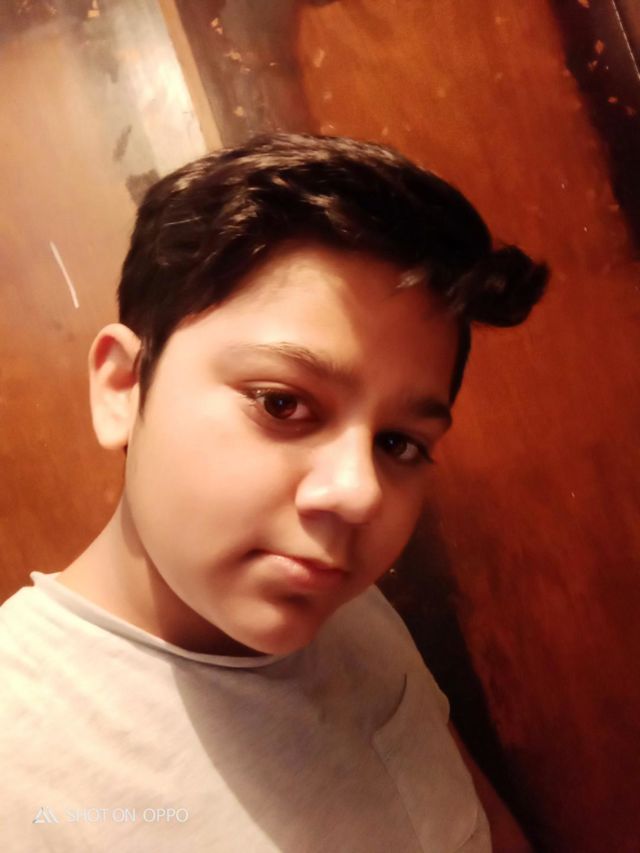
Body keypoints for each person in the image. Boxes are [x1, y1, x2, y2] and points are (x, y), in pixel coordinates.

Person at [0, 133, 547, 851]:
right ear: (123, 388)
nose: (359, 495)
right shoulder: (20, 759)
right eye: (282, 403)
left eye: (397, 444)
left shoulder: (345, 604)